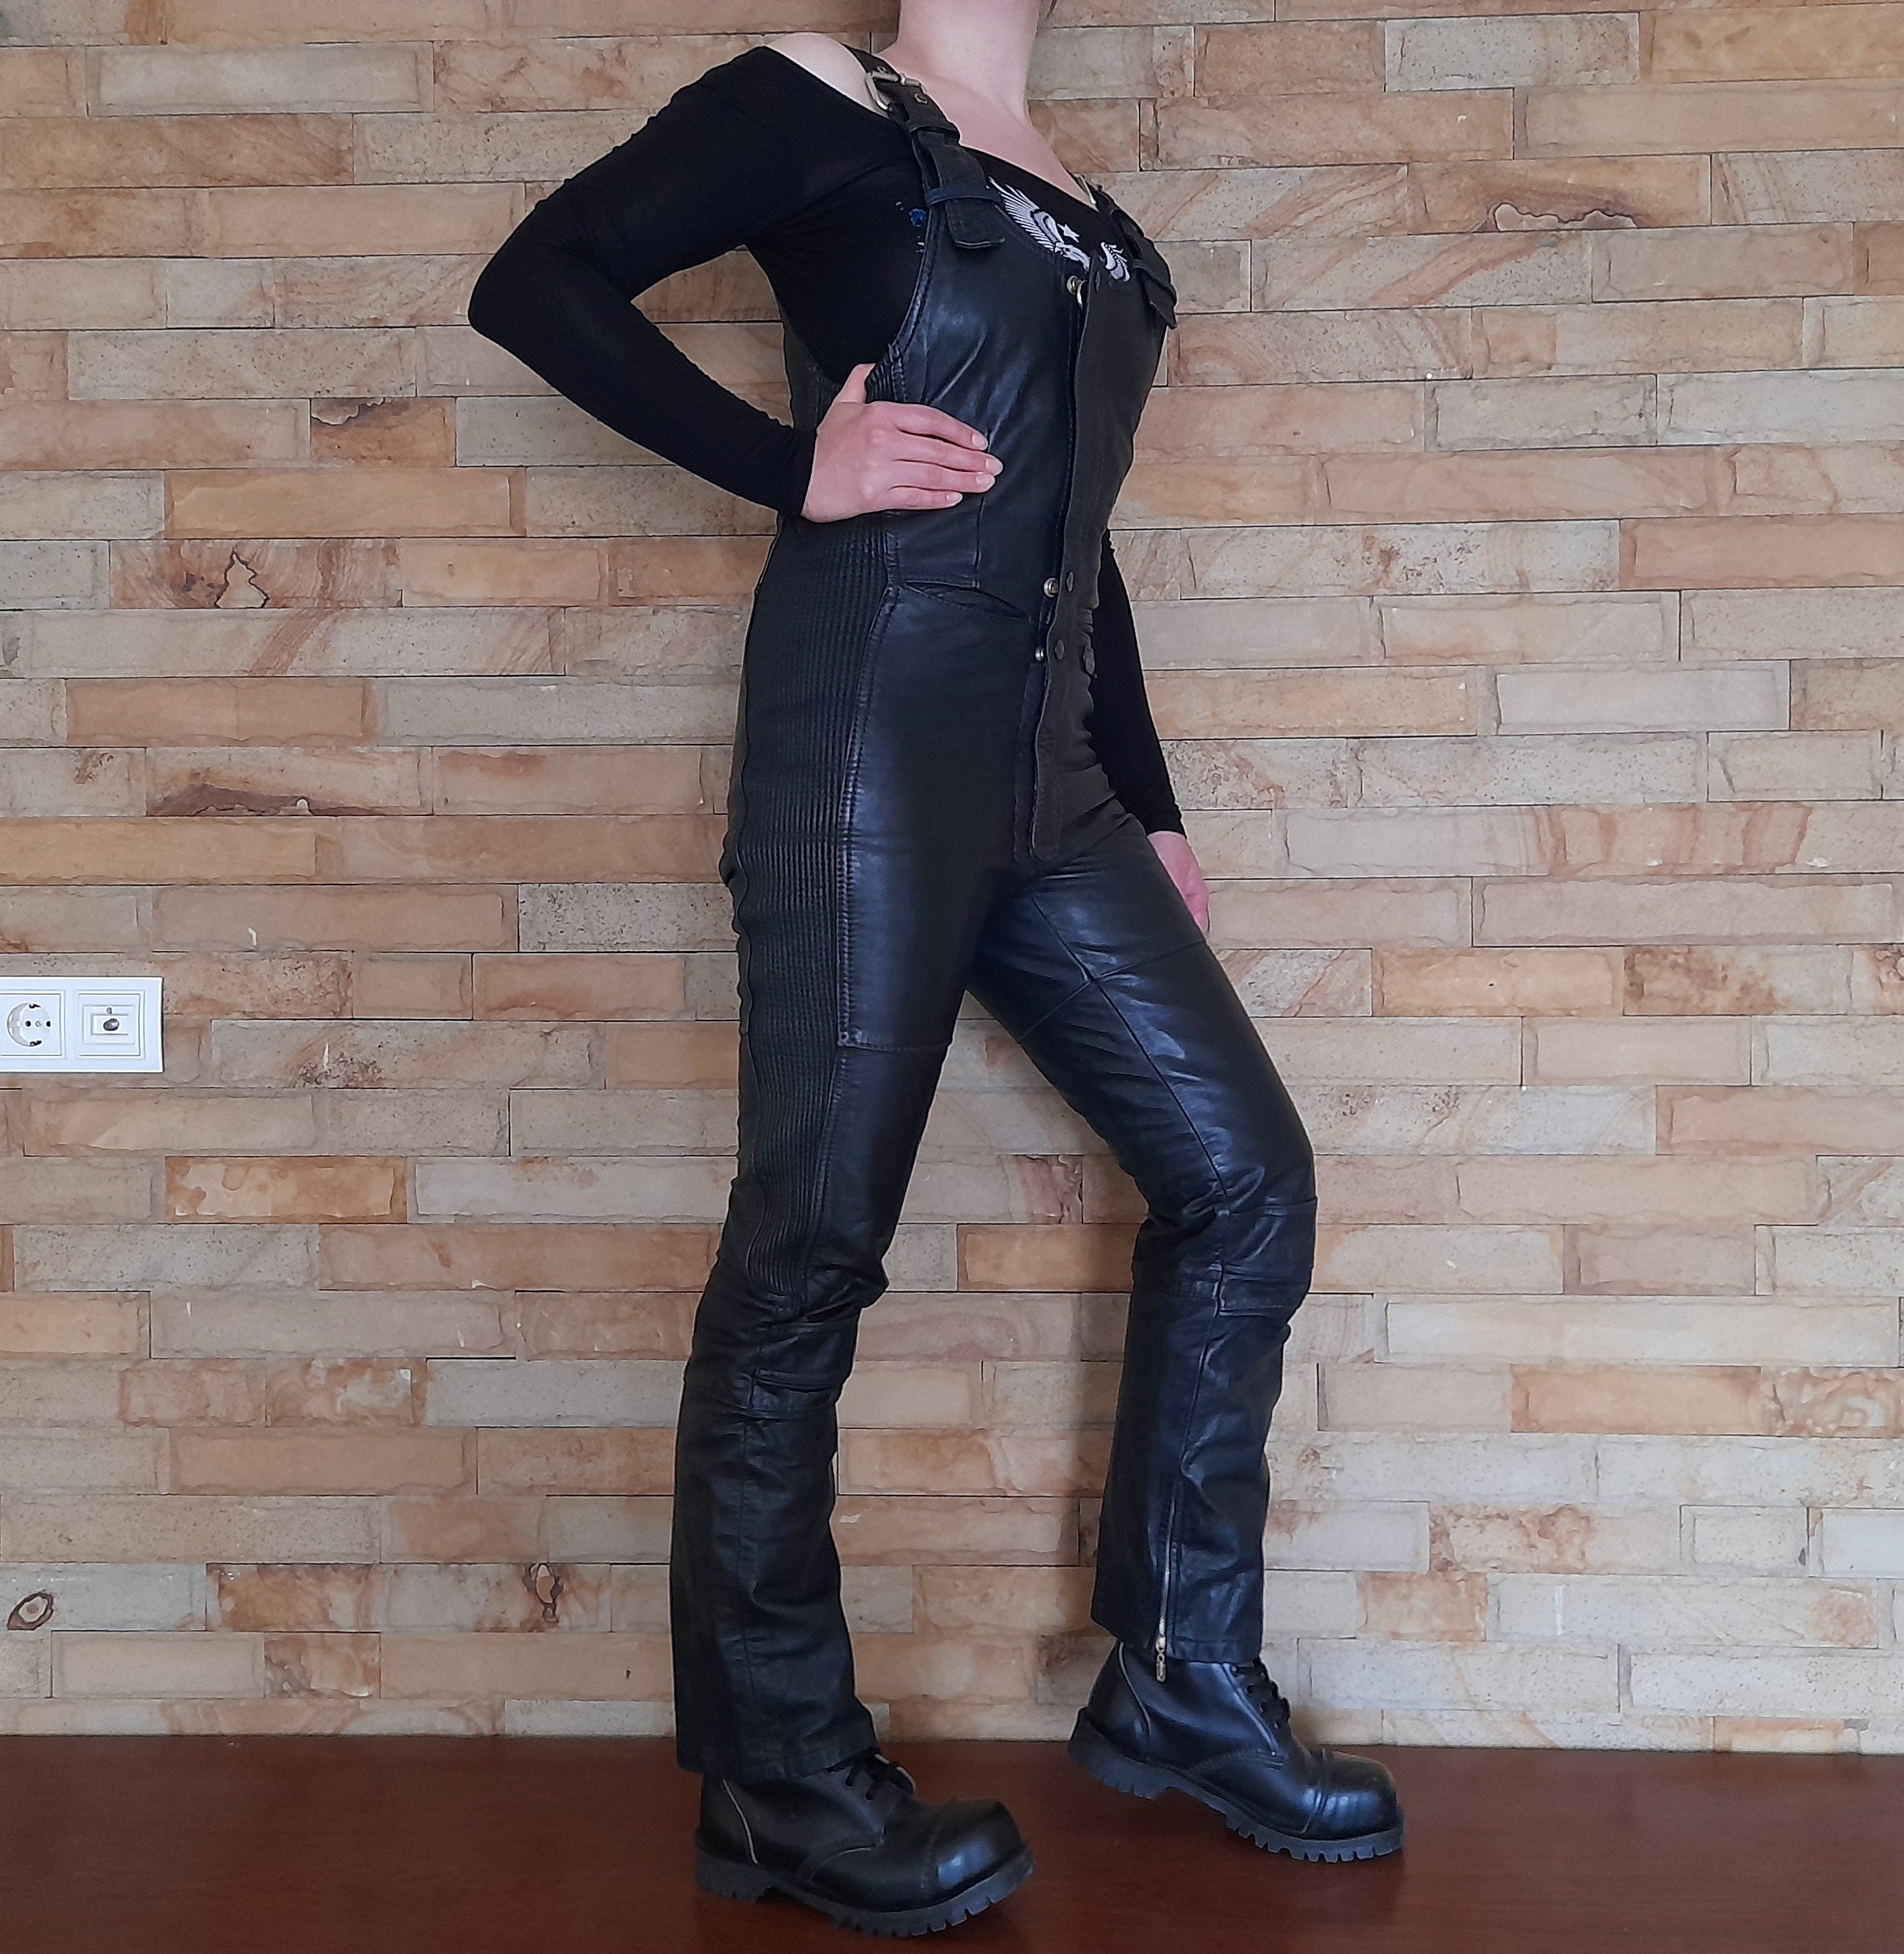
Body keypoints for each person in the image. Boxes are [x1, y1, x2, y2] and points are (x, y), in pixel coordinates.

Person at [469, 1, 1403, 1933]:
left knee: (1243, 1178)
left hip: (1054, 791)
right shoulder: (823, 99)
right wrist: (787, 466)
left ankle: (1181, 1676)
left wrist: (1150, 807)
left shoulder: (1084, 205)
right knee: (810, 1246)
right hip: (868, 748)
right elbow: (535, 282)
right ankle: (780, 1779)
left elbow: (1076, 530)